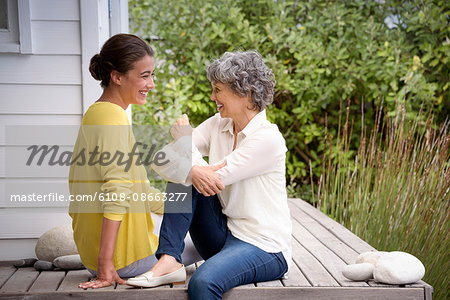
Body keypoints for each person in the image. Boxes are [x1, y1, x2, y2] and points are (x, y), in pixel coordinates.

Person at [127, 51, 293, 300]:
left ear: (244, 92)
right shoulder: (219, 124)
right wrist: (189, 162)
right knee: (188, 171)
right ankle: (169, 259)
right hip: (222, 234)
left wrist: (185, 145)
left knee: (202, 283)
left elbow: (215, 180)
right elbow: (160, 160)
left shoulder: (268, 139)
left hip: (265, 247)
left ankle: (171, 259)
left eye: (218, 90)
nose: (213, 96)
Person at [68, 33, 200, 290]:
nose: (151, 84)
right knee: (211, 244)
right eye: (144, 75)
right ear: (117, 76)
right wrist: (106, 266)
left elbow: (136, 191)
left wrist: (180, 207)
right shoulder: (111, 118)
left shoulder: (99, 113)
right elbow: (116, 191)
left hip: (103, 257)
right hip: (124, 260)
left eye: (152, 75)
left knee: (187, 201)